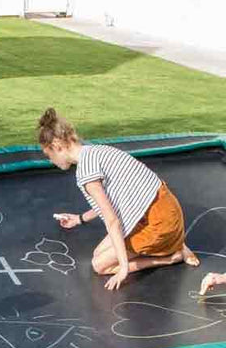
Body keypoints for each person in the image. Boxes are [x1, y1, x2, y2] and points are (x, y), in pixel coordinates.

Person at [37, 107, 199, 291]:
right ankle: (176, 243)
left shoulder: (86, 173)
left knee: (100, 265)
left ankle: (171, 256)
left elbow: (112, 220)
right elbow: (111, 202)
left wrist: (123, 269)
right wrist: (80, 219)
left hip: (157, 225)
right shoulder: (96, 151)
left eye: (48, 155)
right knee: (98, 252)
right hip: (168, 210)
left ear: (57, 146)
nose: (50, 161)